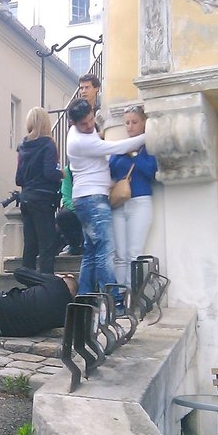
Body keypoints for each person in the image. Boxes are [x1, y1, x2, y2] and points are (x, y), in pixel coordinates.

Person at [65, 98, 145, 299]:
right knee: (105, 251)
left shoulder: (80, 132)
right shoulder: (80, 141)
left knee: (92, 252)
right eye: (84, 123)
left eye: (91, 119)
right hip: (93, 200)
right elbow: (116, 148)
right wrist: (148, 135)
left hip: (85, 199)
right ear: (73, 123)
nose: (90, 125)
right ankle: (114, 302)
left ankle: (84, 297)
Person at [109, 105, 158, 286]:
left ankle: (131, 294)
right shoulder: (121, 147)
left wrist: (135, 155)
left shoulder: (148, 147)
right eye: (127, 123)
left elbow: (152, 171)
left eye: (134, 122)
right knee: (119, 254)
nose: (130, 126)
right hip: (119, 204)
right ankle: (120, 296)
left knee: (133, 253)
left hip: (140, 202)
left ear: (144, 123)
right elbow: (110, 169)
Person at [15, 107, 61, 274]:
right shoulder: (48, 144)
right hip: (43, 199)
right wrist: (61, 173)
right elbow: (49, 172)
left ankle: (28, 289)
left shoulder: (22, 146)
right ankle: (46, 286)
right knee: (47, 245)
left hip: (26, 198)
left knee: (30, 245)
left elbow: (18, 179)